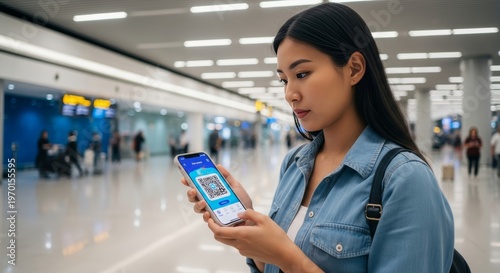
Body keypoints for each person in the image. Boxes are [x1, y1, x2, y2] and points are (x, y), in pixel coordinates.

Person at [181, 3, 454, 273]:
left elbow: (287, 262)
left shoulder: (405, 179)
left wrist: (291, 261)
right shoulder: (295, 163)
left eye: (302, 74)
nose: (290, 94)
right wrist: (250, 227)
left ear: (354, 68)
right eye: (284, 80)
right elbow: (273, 267)